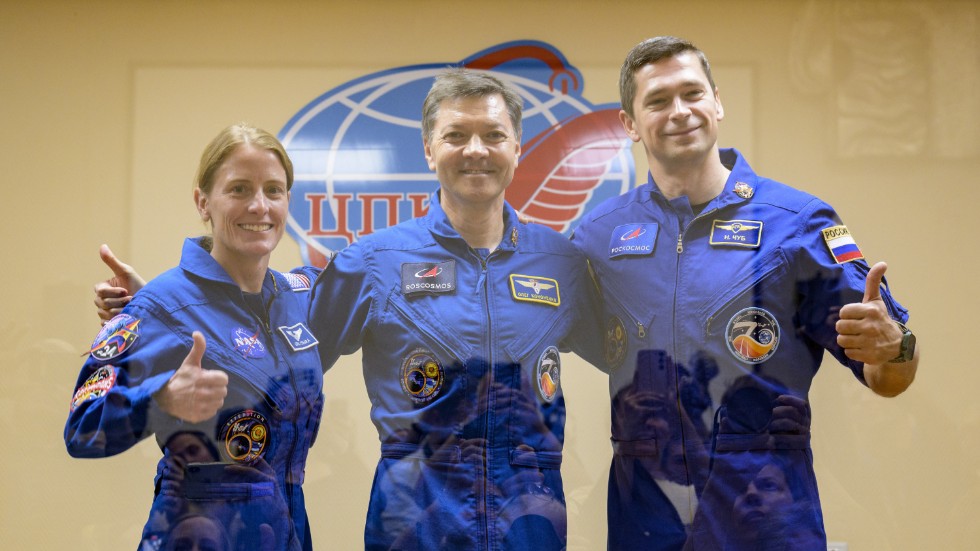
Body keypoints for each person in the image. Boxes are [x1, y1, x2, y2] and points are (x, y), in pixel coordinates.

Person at [570, 36, 920, 550]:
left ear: (717, 101)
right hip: (645, 520)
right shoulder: (597, 236)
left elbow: (889, 378)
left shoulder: (797, 224)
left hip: (765, 517)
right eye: (658, 100)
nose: (680, 111)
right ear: (629, 124)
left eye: (692, 93)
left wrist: (898, 346)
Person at [307, 68, 605, 550]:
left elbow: (634, 349)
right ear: (429, 149)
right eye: (456, 135)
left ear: (516, 147)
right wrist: (191, 305)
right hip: (415, 522)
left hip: (529, 524)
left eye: (493, 135)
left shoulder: (561, 263)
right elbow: (285, 350)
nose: (476, 150)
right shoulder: (374, 263)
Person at [66, 123, 324, 551]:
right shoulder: (159, 307)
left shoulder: (300, 296)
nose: (259, 206)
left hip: (286, 527)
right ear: (203, 202)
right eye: (239, 189)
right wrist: (159, 399)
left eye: (273, 191)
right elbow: (82, 430)